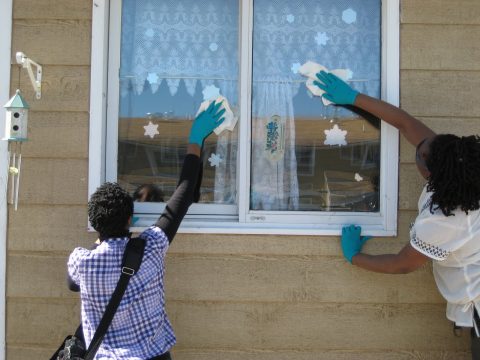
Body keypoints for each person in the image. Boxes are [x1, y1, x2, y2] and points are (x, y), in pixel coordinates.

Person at [314, 70, 480, 358]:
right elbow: (404, 123)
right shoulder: (456, 162)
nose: (420, 146)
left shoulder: (447, 219)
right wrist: (353, 98)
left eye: (419, 153)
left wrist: (355, 257)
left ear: (429, 171)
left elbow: (403, 263)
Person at [66, 101, 225, 359]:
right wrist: (196, 139)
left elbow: (72, 285)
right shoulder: (151, 247)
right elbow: (182, 197)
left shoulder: (81, 262)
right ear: (130, 218)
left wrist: (99, 242)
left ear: (94, 224)